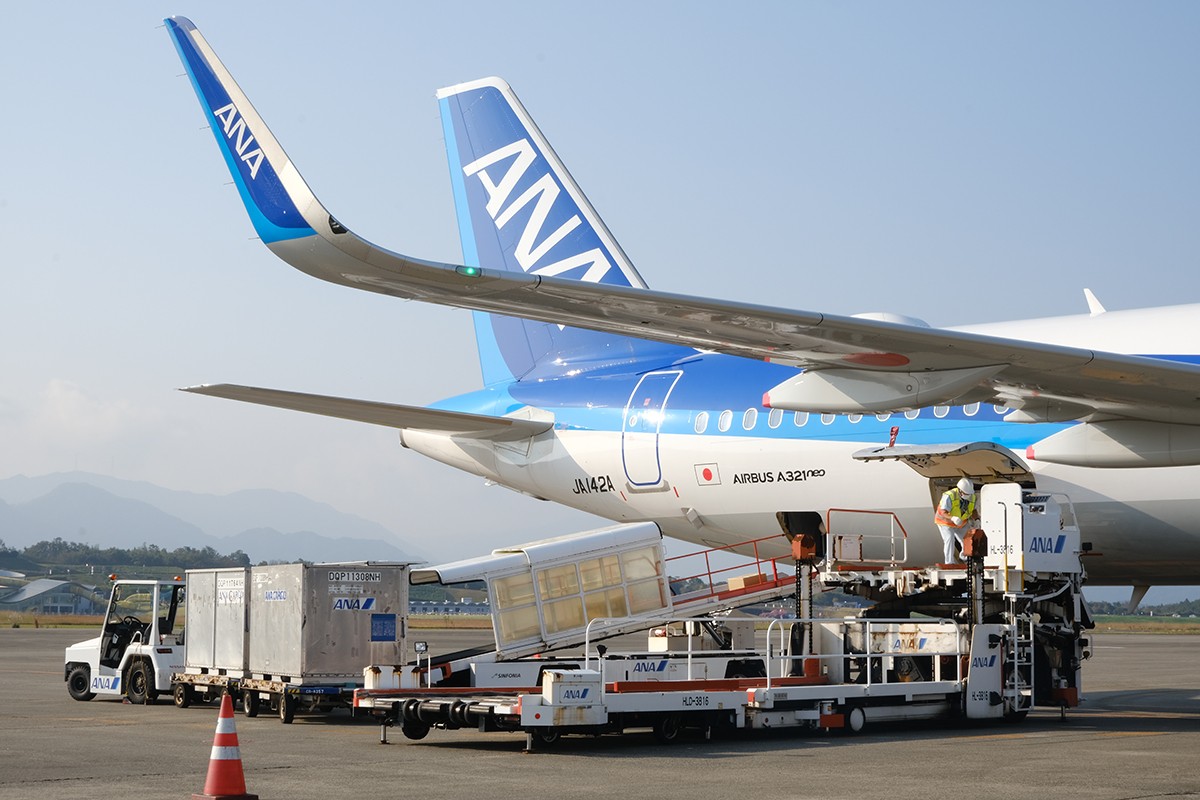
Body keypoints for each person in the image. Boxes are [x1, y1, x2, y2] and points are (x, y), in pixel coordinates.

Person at [935, 478, 977, 564]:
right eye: (966, 493)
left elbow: (973, 510)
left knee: (967, 539)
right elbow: (943, 512)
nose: (968, 495)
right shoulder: (949, 496)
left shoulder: (972, 497)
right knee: (949, 539)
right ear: (960, 491)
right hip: (946, 522)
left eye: (969, 494)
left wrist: (977, 519)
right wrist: (952, 518)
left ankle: (964, 557)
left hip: (961, 523)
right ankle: (949, 562)